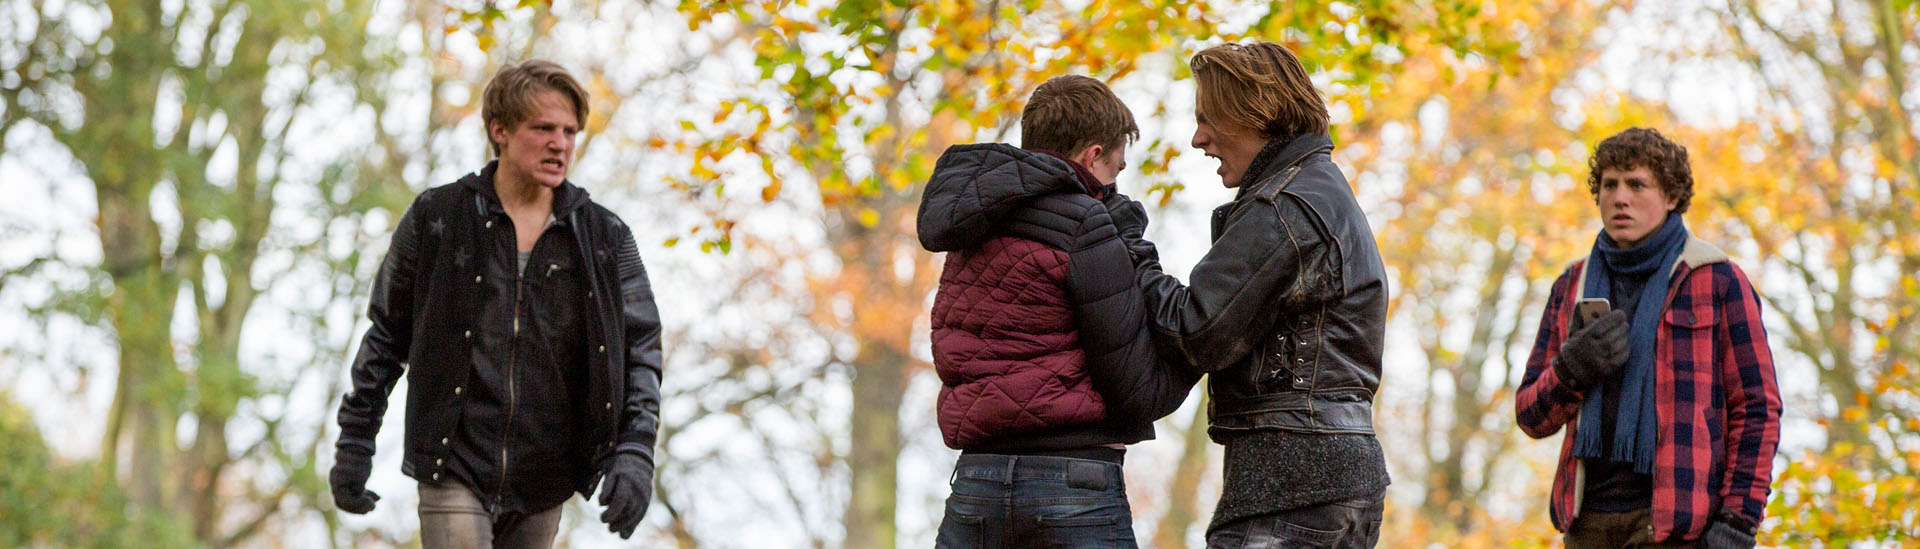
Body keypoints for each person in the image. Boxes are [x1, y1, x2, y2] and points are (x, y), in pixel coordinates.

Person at [328, 59, 663, 547]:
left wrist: (635, 451)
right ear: (499, 130)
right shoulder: (437, 217)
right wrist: (355, 441)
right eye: (543, 128)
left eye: (570, 131)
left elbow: (641, 350)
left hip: (547, 475)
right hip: (452, 462)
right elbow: (386, 334)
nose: (560, 143)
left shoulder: (604, 237)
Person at [1105, 42, 1391, 548]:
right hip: (1336, 480)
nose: (1198, 139)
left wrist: (1126, 244)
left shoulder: (1285, 205)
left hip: (1293, 484)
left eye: (1207, 118)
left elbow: (1196, 330)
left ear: (1253, 112)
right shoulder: (1321, 191)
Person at [917, 74, 1200, 549]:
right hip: (1073, 485)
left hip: (975, 483)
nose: (1114, 186)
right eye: (1116, 169)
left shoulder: (970, 223)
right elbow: (1136, 386)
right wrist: (1201, 343)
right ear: (1092, 156)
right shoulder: (1086, 225)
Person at [1516, 127, 1780, 548]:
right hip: (1586, 526)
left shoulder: (1715, 278)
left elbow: (1756, 409)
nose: (1620, 197)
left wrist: (1738, 521)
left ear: (1671, 197)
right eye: (1609, 185)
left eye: (1637, 184)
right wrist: (1570, 368)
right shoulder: (1573, 285)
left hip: (1678, 527)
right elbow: (1530, 415)